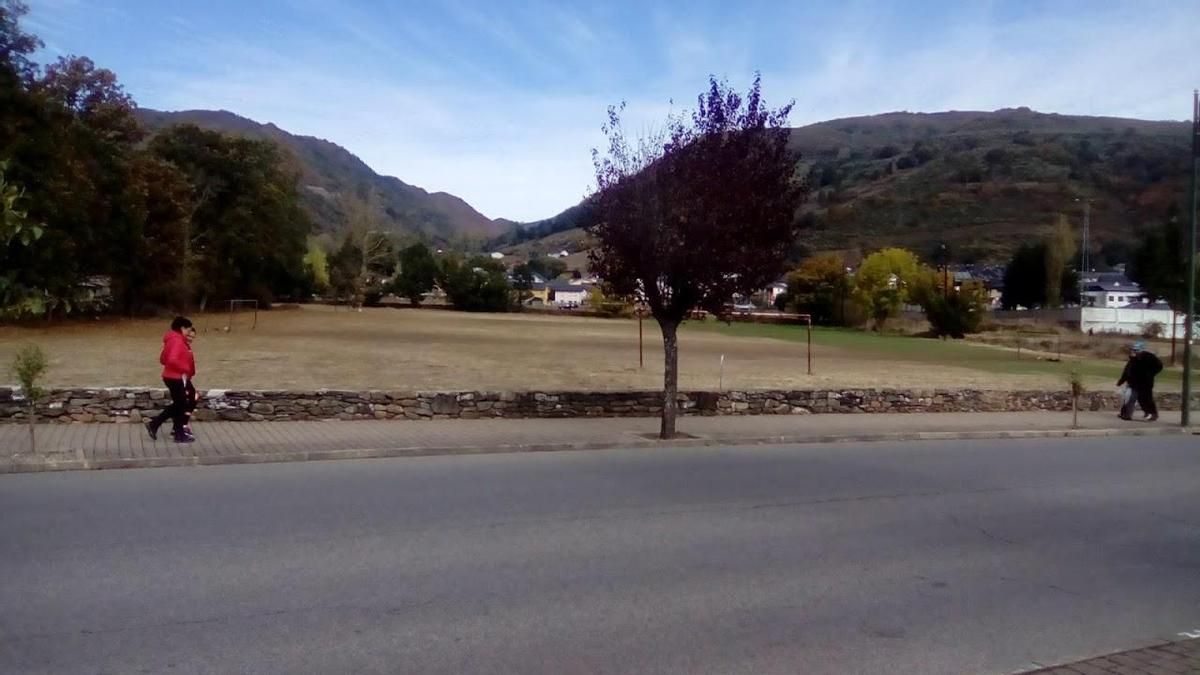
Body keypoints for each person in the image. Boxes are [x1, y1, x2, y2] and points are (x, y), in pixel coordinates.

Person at [146, 316, 198, 443]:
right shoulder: (177, 341)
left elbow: (163, 359)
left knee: (182, 403)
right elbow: (171, 360)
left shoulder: (171, 339)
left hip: (172, 376)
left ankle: (158, 425)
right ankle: (177, 432)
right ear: (182, 328)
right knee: (181, 405)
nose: (189, 333)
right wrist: (184, 368)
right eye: (188, 330)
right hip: (176, 377)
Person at [1117, 341, 1163, 422]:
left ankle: (1153, 414)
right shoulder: (1133, 359)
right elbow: (1127, 371)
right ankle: (1126, 415)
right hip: (1134, 383)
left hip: (1145, 383)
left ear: (1141, 350)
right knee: (1130, 398)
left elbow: (1159, 366)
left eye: (1136, 350)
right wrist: (1121, 381)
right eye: (1133, 350)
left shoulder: (1149, 357)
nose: (1134, 351)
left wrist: (1150, 374)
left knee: (1146, 399)